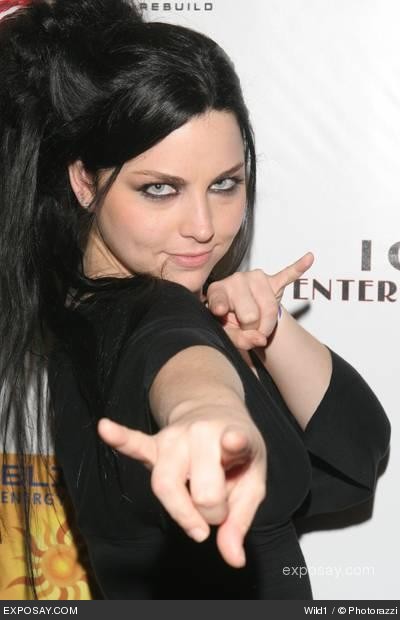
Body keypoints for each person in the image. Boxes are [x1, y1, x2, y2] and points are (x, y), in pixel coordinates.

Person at [0, 0, 390, 600]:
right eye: (161, 189)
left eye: (225, 184)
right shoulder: (152, 314)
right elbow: (180, 367)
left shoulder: (92, 314)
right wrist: (207, 414)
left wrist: (271, 332)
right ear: (83, 182)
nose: (204, 227)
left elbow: (355, 460)